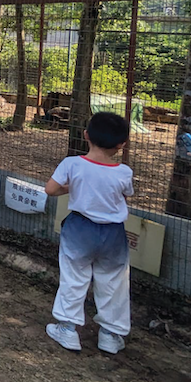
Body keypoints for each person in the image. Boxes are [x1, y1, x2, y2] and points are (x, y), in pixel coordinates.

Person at [44, 112, 133, 355]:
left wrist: (73, 187)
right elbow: (123, 196)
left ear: (86, 136)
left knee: (74, 278)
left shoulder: (72, 164)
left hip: (80, 229)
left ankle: (68, 329)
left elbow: (50, 189)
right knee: (114, 282)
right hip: (113, 234)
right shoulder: (124, 172)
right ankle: (111, 335)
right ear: (121, 144)